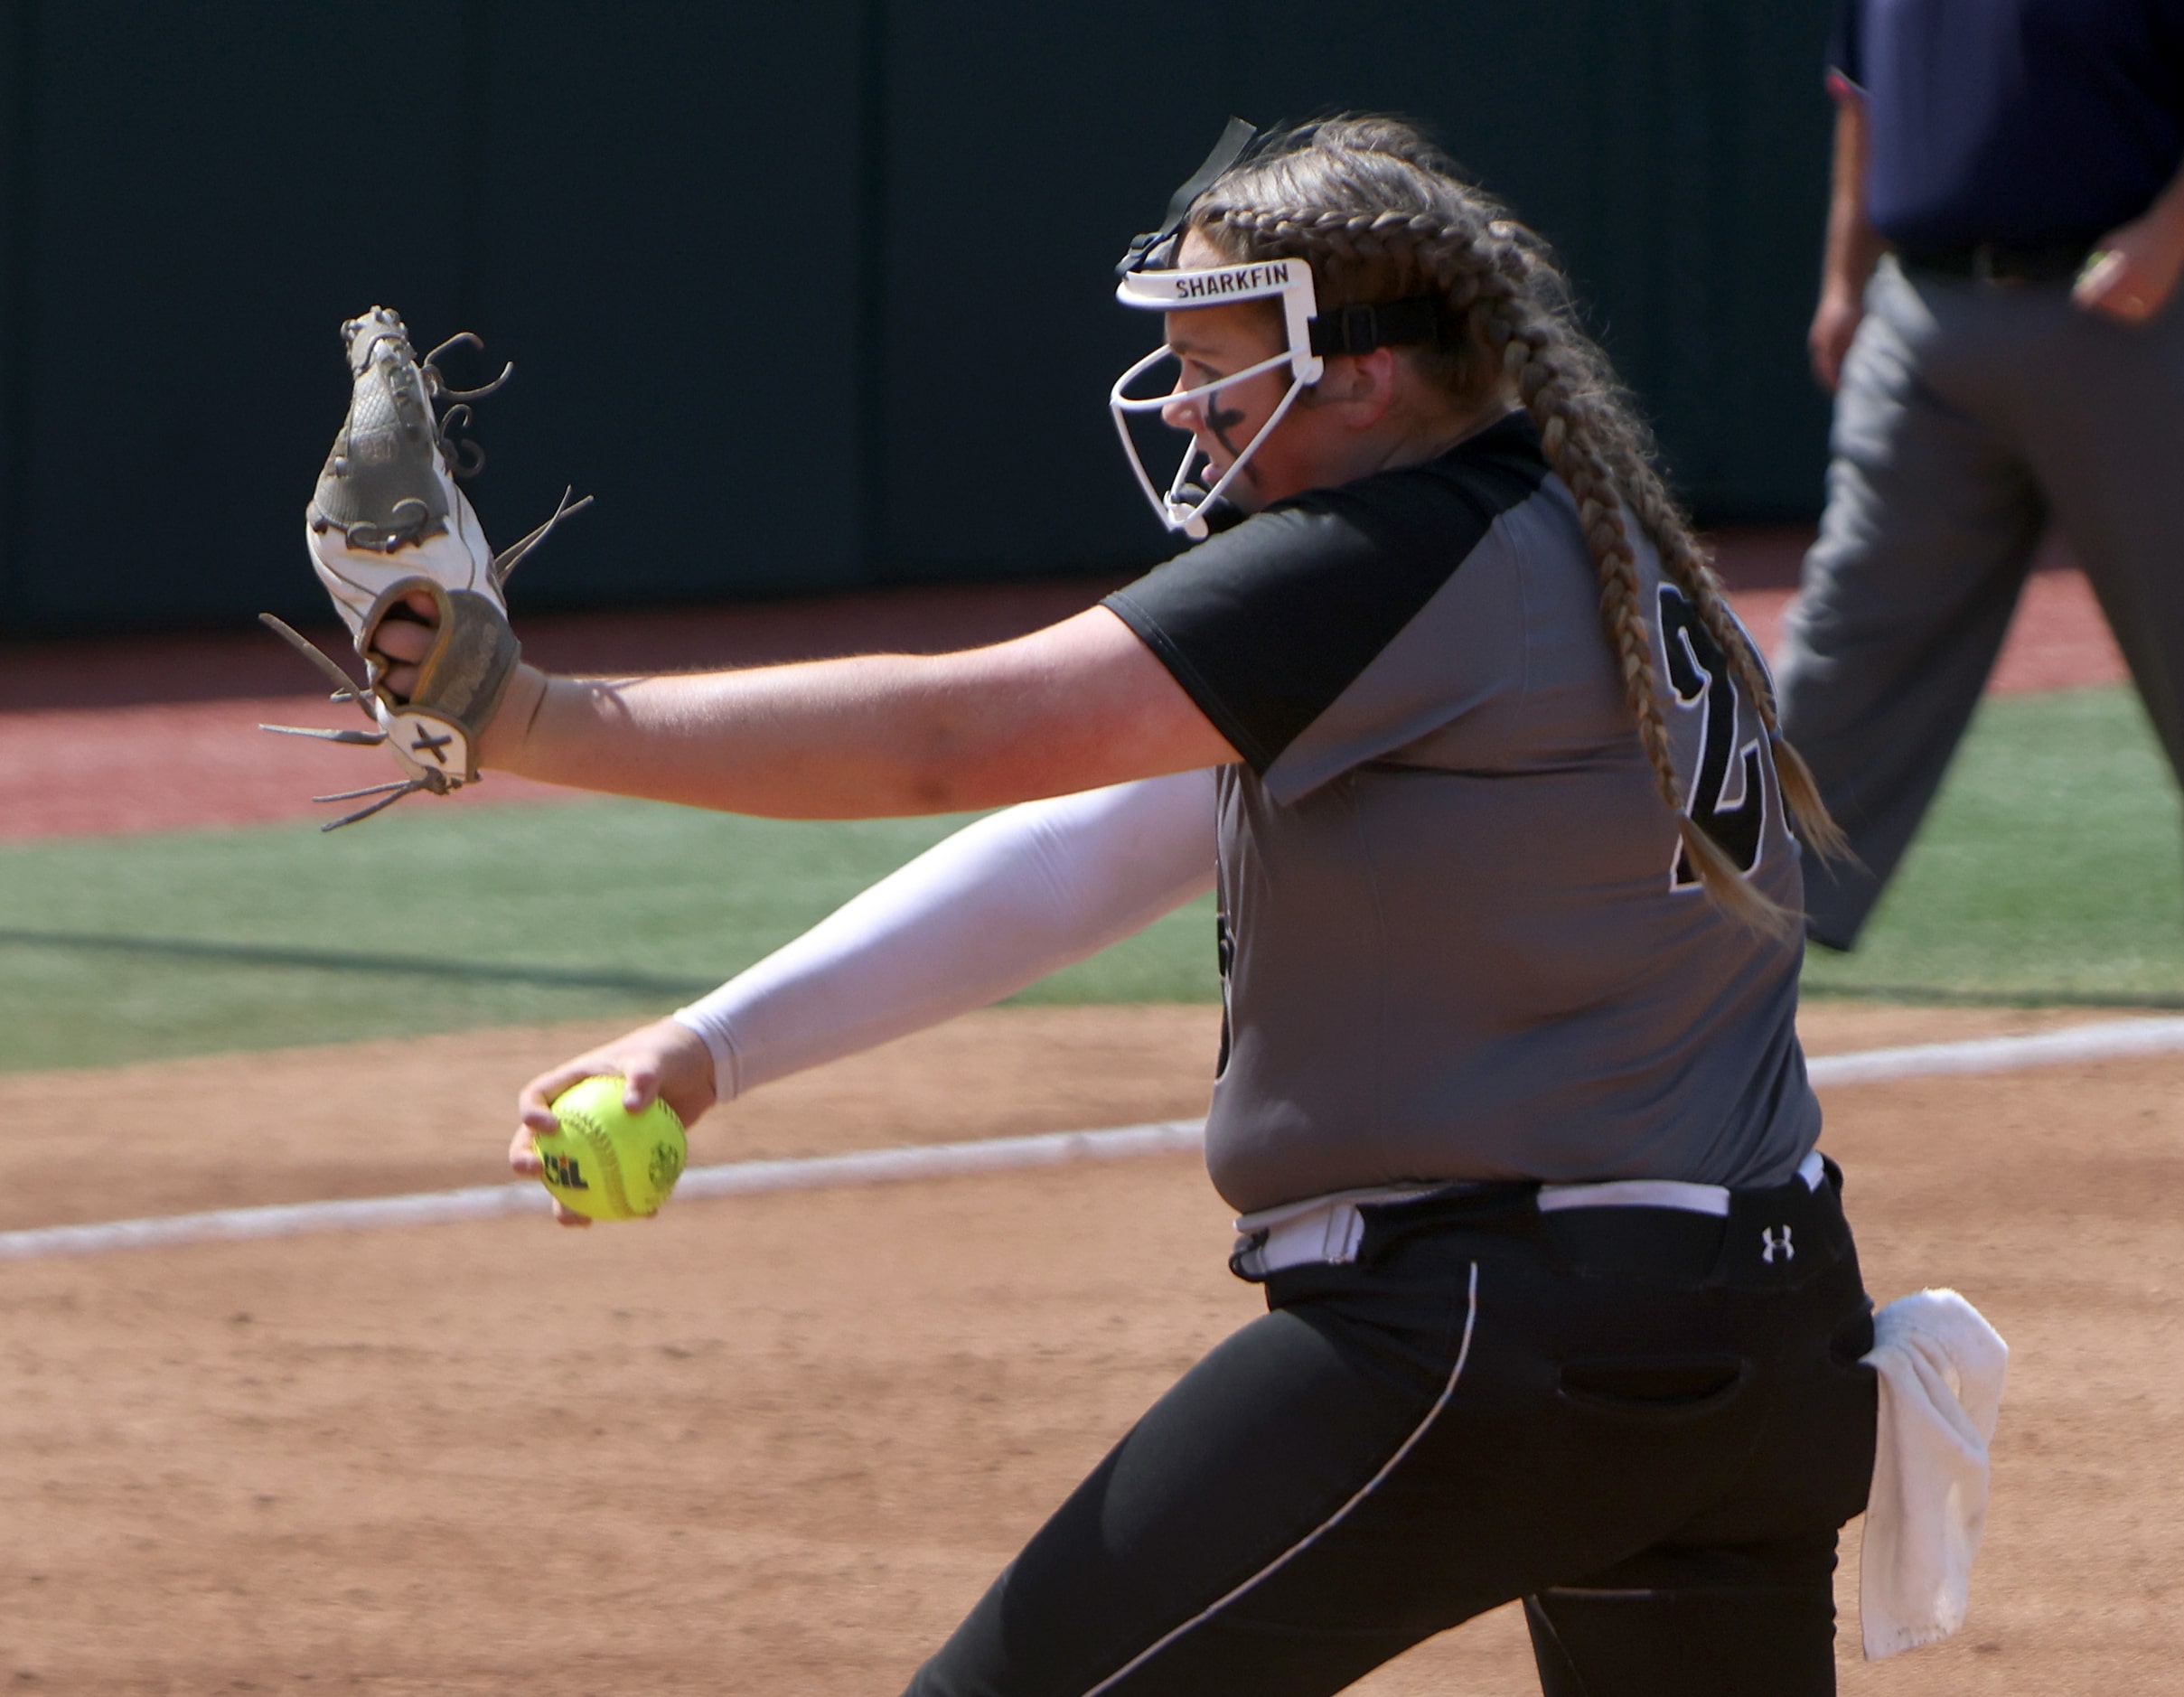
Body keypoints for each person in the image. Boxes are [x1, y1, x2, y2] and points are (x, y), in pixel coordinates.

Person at [371, 117, 1880, 1694]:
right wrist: (710, 1045)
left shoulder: (1384, 558)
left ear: (1359, 371)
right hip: (1760, 1343)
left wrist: (530, 713)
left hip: (1492, 1341)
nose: (1181, 404)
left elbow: (949, 738)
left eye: (1213, 360)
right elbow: (1081, 848)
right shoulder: (1582, 538)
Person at [1779, 0, 2184, 949]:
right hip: (1922, 318)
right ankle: (1717, 926)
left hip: (2127, 317)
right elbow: (1861, 94)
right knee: (1849, 636)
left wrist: (2169, 236)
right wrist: (1844, 281)